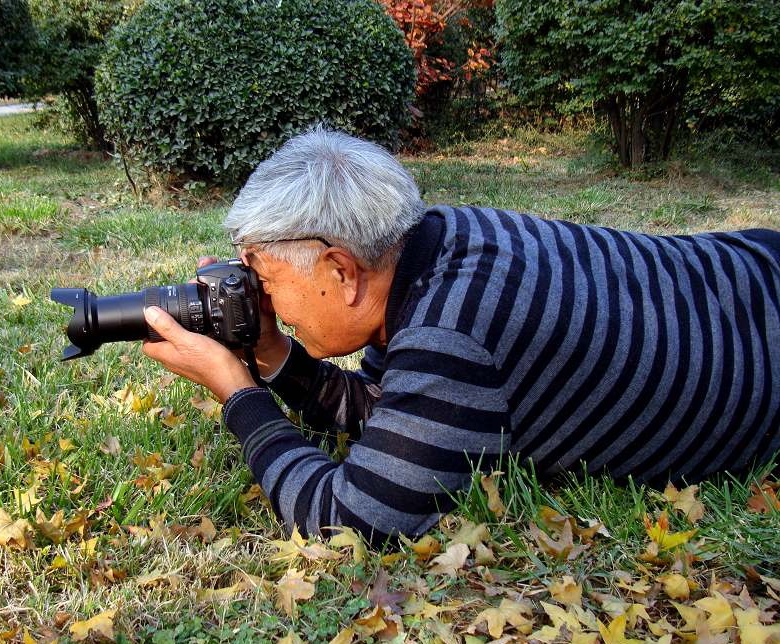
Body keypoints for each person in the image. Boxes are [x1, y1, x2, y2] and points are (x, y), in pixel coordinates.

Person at [141, 127, 780, 547]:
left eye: (264, 278)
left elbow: (355, 522)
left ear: (341, 271)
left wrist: (239, 395)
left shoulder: (451, 334)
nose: (261, 298)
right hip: (748, 272)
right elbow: (390, 410)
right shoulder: (436, 241)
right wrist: (277, 356)